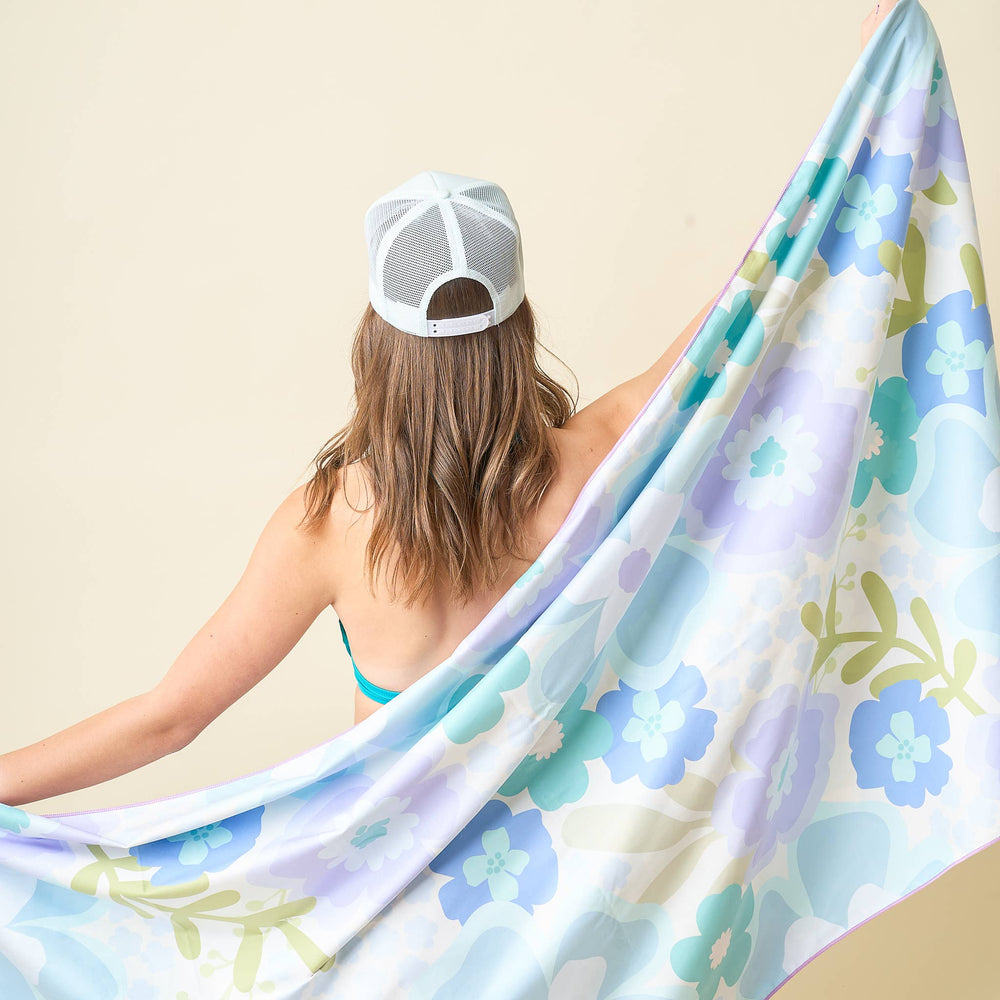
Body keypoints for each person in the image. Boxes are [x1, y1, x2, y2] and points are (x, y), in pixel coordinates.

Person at [0, 1, 896, 809]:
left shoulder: (326, 527)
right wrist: (872, 109)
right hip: (546, 902)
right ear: (518, 321)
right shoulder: (595, 459)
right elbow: (755, 308)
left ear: (377, 338)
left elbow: (168, 718)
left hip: (388, 906)